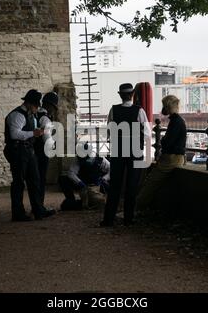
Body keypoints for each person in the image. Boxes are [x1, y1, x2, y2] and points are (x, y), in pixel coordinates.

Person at [100, 83, 150, 227]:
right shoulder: (139, 111)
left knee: (115, 185)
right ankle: (129, 219)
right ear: (132, 94)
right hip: (135, 151)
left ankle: (108, 219)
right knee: (132, 185)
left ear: (120, 95)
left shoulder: (113, 110)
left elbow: (109, 131)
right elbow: (147, 133)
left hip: (117, 151)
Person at [3, 89, 56, 222]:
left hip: (27, 150)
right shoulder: (17, 115)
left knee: (35, 181)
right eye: (36, 106)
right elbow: (15, 134)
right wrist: (34, 133)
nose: (37, 108)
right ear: (30, 103)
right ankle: (18, 213)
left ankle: (39, 210)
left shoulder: (29, 115)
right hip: (17, 151)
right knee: (19, 182)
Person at [136, 95, 186, 211]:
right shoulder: (177, 120)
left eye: (164, 105)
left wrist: (163, 140)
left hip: (171, 158)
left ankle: (136, 208)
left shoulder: (176, 122)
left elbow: (167, 142)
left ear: (168, 107)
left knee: (150, 182)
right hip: (175, 157)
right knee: (152, 180)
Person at [58, 145, 110, 210]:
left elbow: (111, 169)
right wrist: (79, 182)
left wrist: (104, 178)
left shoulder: (100, 159)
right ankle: (71, 200)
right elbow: (71, 173)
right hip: (83, 184)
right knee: (63, 179)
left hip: (96, 185)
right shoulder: (78, 159)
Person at [35, 92, 59, 206]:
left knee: (34, 181)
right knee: (41, 180)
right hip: (41, 153)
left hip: (32, 152)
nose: (54, 110)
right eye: (54, 107)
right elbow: (47, 140)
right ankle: (40, 207)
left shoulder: (35, 114)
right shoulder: (45, 119)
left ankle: (36, 206)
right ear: (49, 106)